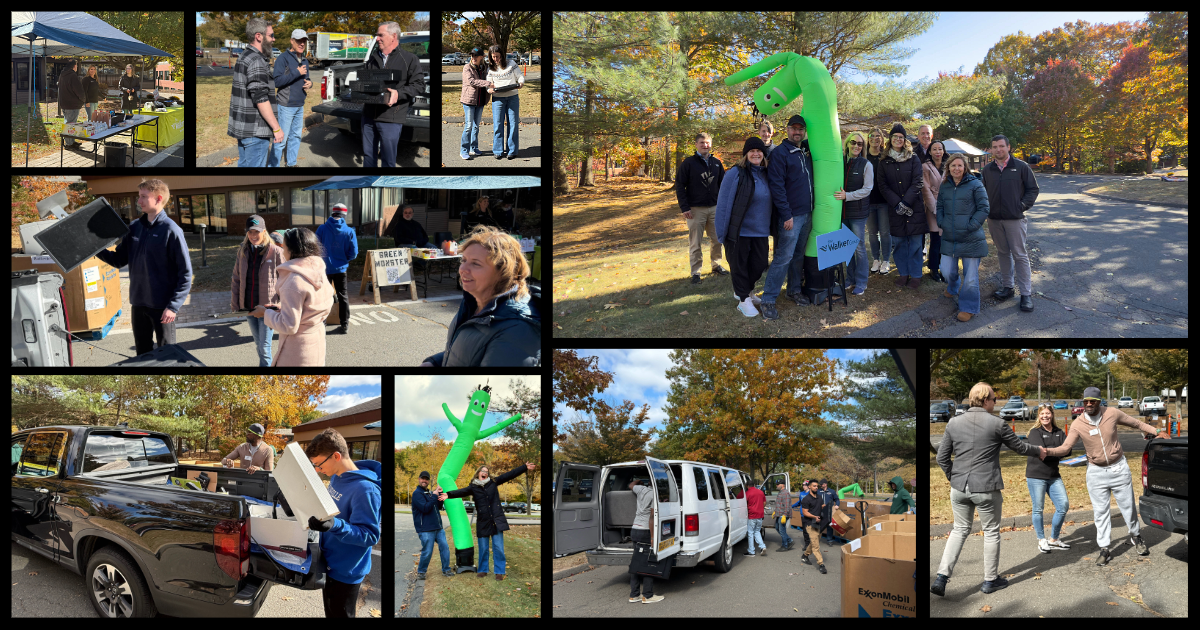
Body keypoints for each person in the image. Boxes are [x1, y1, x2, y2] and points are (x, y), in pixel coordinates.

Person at [932, 382, 1047, 596]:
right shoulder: (997, 423)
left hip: (959, 488)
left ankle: (941, 577)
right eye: (994, 399)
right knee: (991, 532)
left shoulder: (953, 423)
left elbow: (941, 457)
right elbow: (1020, 447)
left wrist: (954, 477)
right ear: (985, 400)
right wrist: (1039, 450)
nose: (996, 402)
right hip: (985, 488)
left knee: (959, 530)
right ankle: (990, 580)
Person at [1043, 387, 1168, 566]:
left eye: (1092, 401)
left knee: (1128, 507)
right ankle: (1104, 548)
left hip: (1118, 468)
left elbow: (1137, 424)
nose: (1088, 404)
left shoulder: (1112, 413)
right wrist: (1047, 451)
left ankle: (1136, 537)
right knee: (1101, 512)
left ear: (1099, 401)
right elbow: (1065, 448)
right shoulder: (1078, 423)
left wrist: (1157, 432)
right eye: (1086, 401)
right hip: (1096, 472)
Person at [94, 179, 192, 356]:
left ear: (158, 198)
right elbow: (118, 260)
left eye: (143, 197)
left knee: (166, 355)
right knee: (142, 354)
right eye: (139, 197)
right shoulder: (134, 227)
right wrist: (95, 249)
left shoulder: (171, 230)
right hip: (138, 304)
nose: (139, 201)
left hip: (163, 307)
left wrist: (174, 306)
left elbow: (185, 273)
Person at [420, 226, 540, 367]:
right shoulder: (472, 303)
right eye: (463, 260)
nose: (463, 269)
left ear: (503, 271)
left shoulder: (517, 329)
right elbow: (467, 354)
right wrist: (434, 363)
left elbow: (491, 386)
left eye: (476, 264)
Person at [305, 428, 382, 618]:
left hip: (347, 571)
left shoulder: (366, 490)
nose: (317, 470)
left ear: (336, 456)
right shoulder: (337, 477)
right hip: (329, 561)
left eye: (319, 464)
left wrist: (335, 525)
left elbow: (370, 535)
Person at [438, 462, 536, 581]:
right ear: (478, 473)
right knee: (483, 548)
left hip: (496, 520)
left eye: (486, 472)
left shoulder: (493, 483)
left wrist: (524, 467)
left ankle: (499, 571)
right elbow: (461, 491)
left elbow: (509, 475)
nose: (485, 473)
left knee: (498, 547)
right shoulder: (473, 487)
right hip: (483, 522)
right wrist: (448, 495)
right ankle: (483, 569)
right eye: (483, 471)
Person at [252, 228, 334, 366]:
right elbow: (311, 305)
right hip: (316, 341)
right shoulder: (317, 270)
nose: (283, 250)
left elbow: (289, 325)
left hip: (297, 351)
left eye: (284, 246)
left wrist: (265, 313)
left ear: (291, 250)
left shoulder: (293, 281)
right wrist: (281, 306)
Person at [714, 137, 774, 318]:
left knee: (760, 264)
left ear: (763, 154)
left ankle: (746, 291)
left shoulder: (767, 173)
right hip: (740, 230)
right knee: (739, 266)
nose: (756, 153)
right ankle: (743, 300)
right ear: (746, 154)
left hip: (761, 230)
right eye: (752, 151)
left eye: (759, 151)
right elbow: (723, 204)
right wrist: (722, 232)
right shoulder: (735, 173)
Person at [982, 134, 1040, 312]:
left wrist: (1021, 206)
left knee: (1020, 255)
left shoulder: (1021, 167)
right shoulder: (987, 170)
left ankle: (1026, 294)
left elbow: (1033, 189)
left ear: (1008, 147)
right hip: (994, 219)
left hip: (1015, 219)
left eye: (1001, 146)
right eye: (994, 147)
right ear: (991, 149)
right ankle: (1007, 287)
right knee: (1002, 252)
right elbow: (982, 192)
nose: (998, 149)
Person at [361, 21, 425, 168]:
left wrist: (399, 93)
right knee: (368, 157)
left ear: (393, 36)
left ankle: (386, 187)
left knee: (388, 161)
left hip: (391, 117)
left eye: (380, 35)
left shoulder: (409, 59)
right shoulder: (372, 59)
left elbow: (420, 85)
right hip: (368, 116)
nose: (377, 38)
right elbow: (365, 83)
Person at [936, 153, 990, 322]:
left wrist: (972, 225)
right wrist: (941, 222)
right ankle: (953, 286)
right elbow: (940, 206)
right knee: (946, 270)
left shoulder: (975, 184)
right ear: (948, 168)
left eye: (959, 165)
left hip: (971, 237)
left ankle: (969, 307)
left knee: (971, 277)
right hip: (949, 236)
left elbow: (984, 208)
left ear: (965, 167)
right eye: (953, 166)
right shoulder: (944, 185)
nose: (956, 168)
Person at [876, 123, 928, 290]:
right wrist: (897, 203)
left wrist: (906, 202)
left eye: (901, 137)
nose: (898, 139)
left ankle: (916, 275)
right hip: (895, 209)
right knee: (898, 243)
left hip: (914, 208)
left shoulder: (913, 158)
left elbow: (918, 182)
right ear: (890, 140)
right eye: (895, 137)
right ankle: (903, 273)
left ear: (904, 140)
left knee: (915, 243)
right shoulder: (884, 162)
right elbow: (882, 185)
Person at [230, 215, 285, 366]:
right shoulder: (242, 251)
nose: (254, 236)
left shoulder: (276, 252)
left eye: (257, 232)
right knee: (258, 344)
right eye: (250, 232)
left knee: (264, 347)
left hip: (268, 308)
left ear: (264, 231)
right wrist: (235, 305)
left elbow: (285, 280)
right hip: (248, 307)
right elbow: (236, 279)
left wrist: (280, 304)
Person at [229, 18, 282, 167]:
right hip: (255, 131)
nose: (274, 39)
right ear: (259, 36)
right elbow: (260, 98)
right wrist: (276, 128)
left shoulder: (244, 56)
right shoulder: (256, 60)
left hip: (245, 129)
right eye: (271, 35)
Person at [676, 132, 727, 284]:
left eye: (707, 143)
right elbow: (679, 186)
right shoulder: (688, 163)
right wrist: (684, 207)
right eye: (702, 143)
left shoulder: (717, 163)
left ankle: (716, 265)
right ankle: (696, 272)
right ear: (696, 144)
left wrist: (722, 206)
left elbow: (723, 186)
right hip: (694, 209)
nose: (705, 145)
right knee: (695, 242)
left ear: (711, 144)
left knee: (717, 239)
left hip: (715, 208)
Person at [1024, 403, 1072, 554]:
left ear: (1052, 415)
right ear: (1038, 416)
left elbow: (1068, 450)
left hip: (1053, 475)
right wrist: (1058, 452)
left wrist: (1053, 452)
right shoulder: (1034, 432)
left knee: (1063, 505)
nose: (1045, 416)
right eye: (1042, 414)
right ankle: (1041, 540)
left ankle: (1054, 539)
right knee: (1038, 509)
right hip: (1036, 476)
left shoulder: (1058, 432)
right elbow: (1041, 453)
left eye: (1047, 413)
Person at [835, 131, 873, 295]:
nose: (856, 146)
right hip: (842, 212)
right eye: (853, 142)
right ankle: (849, 279)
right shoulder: (840, 162)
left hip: (858, 212)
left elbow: (867, 189)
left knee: (858, 247)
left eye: (859, 144)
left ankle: (862, 282)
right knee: (847, 247)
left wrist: (847, 196)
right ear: (847, 144)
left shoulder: (866, 164)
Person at [272, 30, 313, 168]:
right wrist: (297, 72)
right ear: (292, 41)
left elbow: (306, 78)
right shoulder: (282, 58)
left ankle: (291, 164)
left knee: (295, 137)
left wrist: (310, 83)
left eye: (304, 41)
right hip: (286, 105)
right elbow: (277, 81)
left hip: (299, 104)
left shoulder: (305, 60)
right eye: (298, 40)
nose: (302, 44)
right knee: (281, 139)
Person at [315, 204, 358, 335]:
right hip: (341, 269)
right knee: (343, 296)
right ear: (344, 215)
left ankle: (322, 322)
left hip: (324, 268)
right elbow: (354, 253)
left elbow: (315, 246)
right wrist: (344, 259)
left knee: (322, 296)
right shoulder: (349, 231)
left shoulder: (322, 229)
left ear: (332, 213)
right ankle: (344, 324)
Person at [622, 476, 665, 603]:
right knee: (648, 563)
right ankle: (648, 595)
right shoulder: (655, 495)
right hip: (646, 530)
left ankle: (634, 594)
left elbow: (631, 485)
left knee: (636, 562)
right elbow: (652, 517)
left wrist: (640, 482)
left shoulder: (641, 489)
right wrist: (652, 537)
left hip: (635, 529)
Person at [485, 45, 525, 159]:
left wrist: (521, 83)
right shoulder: (490, 68)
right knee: (498, 124)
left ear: (502, 55)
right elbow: (489, 84)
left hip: (512, 98)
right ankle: (498, 150)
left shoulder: (511, 64)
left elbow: (520, 77)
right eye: (493, 57)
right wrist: (489, 89)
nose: (495, 59)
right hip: (498, 99)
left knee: (513, 124)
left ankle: (512, 150)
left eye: (497, 57)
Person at [412, 471, 453, 579]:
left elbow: (437, 507)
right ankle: (421, 572)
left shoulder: (429, 493)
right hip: (425, 529)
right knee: (428, 551)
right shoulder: (417, 494)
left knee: (444, 547)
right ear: (419, 479)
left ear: (428, 481)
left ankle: (446, 569)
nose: (424, 481)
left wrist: (439, 494)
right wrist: (434, 495)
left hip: (438, 527)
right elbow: (425, 508)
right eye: (422, 478)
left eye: (426, 479)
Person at [863, 126, 893, 275]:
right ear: (868, 139)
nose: (875, 139)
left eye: (878, 136)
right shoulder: (863, 157)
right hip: (868, 202)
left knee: (885, 232)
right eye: (872, 136)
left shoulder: (885, 157)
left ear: (882, 140)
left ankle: (886, 260)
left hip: (884, 201)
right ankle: (876, 259)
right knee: (872, 233)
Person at [459, 47, 491, 160]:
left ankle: (474, 148)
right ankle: (464, 150)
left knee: (476, 127)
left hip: (480, 100)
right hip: (469, 101)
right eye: (472, 55)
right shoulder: (467, 67)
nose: (473, 58)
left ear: (482, 57)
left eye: (476, 56)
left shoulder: (485, 67)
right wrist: (488, 83)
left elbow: (492, 74)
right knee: (469, 126)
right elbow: (472, 81)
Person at [922, 139, 947, 282]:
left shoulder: (948, 165)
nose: (938, 152)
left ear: (943, 151)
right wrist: (935, 208)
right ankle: (933, 268)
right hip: (933, 207)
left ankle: (944, 267)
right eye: (935, 149)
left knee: (946, 240)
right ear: (930, 152)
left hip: (948, 206)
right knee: (936, 239)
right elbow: (925, 189)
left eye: (940, 149)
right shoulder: (925, 167)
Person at [799, 480, 828, 574]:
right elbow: (805, 512)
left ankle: (805, 556)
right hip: (810, 524)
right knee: (816, 545)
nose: (816, 487)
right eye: (814, 486)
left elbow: (819, 507)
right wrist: (815, 517)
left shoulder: (819, 497)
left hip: (818, 523)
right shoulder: (806, 499)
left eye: (817, 486)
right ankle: (821, 564)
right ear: (809, 487)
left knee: (814, 542)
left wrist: (824, 507)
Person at [57, 59, 86, 148]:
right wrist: (83, 99)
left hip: (64, 103)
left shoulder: (62, 75)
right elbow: (79, 90)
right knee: (70, 124)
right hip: (72, 104)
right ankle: (69, 143)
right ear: (74, 66)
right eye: (77, 65)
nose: (77, 67)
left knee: (70, 123)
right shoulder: (72, 76)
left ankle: (71, 141)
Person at [742, 479, 768, 557]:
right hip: (760, 515)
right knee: (757, 531)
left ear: (747, 486)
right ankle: (762, 546)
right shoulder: (761, 492)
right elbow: (764, 502)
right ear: (753, 485)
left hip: (752, 516)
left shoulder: (747, 493)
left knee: (750, 533)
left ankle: (751, 551)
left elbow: (743, 504)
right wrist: (759, 509)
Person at [773, 479, 795, 551]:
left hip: (783, 515)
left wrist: (785, 515)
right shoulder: (780, 492)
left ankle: (784, 546)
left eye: (778, 484)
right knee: (777, 528)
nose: (776, 485)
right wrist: (775, 512)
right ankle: (790, 541)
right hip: (779, 514)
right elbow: (779, 504)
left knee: (782, 530)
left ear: (782, 485)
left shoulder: (785, 493)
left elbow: (787, 505)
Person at [817, 479, 839, 543]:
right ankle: (817, 539)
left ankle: (829, 540)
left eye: (821, 484)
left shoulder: (831, 491)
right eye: (820, 484)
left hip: (829, 511)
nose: (820, 485)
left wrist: (837, 505)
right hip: (820, 510)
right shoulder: (818, 491)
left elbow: (837, 499)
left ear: (825, 484)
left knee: (829, 525)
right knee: (818, 524)